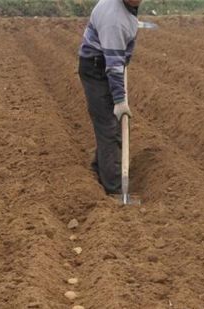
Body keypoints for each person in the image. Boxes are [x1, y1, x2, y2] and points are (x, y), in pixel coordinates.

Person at [78, 0, 142, 195]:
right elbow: (113, 67)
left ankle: (99, 169)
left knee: (113, 124)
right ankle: (114, 190)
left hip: (104, 62)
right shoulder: (115, 21)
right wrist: (120, 101)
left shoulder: (124, 8)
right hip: (97, 68)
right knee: (109, 127)